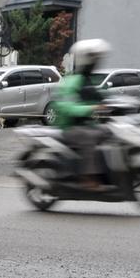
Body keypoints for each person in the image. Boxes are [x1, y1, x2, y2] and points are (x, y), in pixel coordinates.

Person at [53, 39, 111, 187]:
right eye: (93, 59)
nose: (95, 63)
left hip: (87, 125)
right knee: (89, 136)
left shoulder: (86, 80)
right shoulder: (71, 82)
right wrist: (91, 109)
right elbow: (67, 107)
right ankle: (87, 177)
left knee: (112, 133)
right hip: (69, 128)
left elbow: (100, 98)